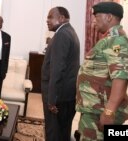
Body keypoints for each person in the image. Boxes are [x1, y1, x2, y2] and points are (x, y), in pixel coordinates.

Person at [76, 2, 128, 140]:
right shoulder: (109, 39)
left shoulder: (117, 40)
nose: (94, 22)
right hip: (94, 110)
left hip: (100, 112)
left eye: (97, 17)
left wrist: (109, 111)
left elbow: (121, 77)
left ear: (109, 17)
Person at [41, 7, 80, 141]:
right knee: (63, 132)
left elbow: (57, 70)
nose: (47, 20)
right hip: (66, 95)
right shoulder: (70, 31)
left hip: (58, 98)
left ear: (62, 18)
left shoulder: (62, 35)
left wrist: (52, 100)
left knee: (54, 133)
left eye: (50, 17)